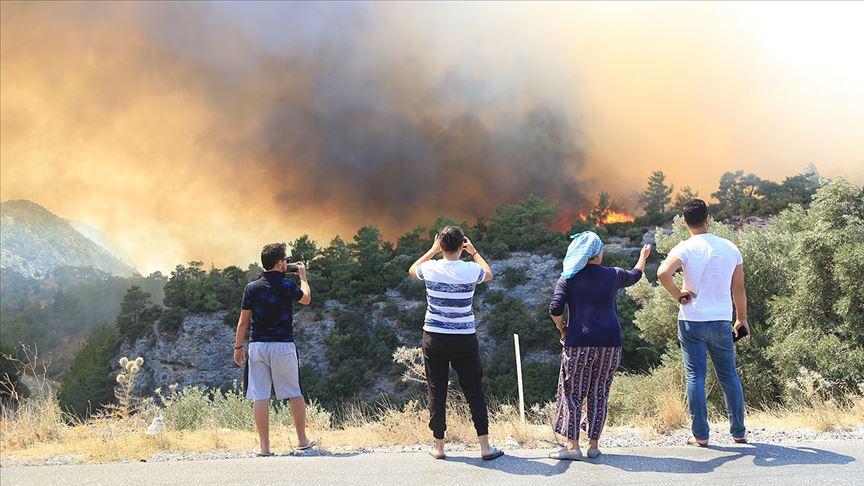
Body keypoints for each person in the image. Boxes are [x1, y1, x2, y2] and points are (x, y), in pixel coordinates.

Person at [548, 231, 650, 460]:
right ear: (596, 253)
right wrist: (643, 257)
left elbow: (555, 308)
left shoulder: (568, 277)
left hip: (579, 344)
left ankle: (572, 446)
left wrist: (562, 328)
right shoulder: (613, 274)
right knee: (599, 392)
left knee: (572, 392)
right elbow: (636, 275)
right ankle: (593, 445)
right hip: (610, 343)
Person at [656, 199, 749, 447]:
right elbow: (738, 288)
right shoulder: (730, 247)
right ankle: (739, 432)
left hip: (692, 320)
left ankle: (701, 435)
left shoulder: (685, 247)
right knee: (729, 376)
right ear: (708, 219)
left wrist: (679, 295)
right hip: (721, 320)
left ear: (685, 223)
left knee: (695, 376)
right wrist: (741, 319)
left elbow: (662, 273)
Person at [408, 225, 504, 461]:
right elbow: (488, 273)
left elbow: (412, 269)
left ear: (441, 245)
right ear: (462, 244)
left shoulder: (430, 268)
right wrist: (474, 252)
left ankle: (439, 447)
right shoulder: (471, 270)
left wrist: (432, 250)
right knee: (474, 390)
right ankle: (485, 447)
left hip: (434, 337)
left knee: (436, 390)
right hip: (464, 338)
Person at [233, 242, 313, 456]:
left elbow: (243, 322)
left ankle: (265, 447)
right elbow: (306, 299)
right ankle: (302, 440)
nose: (288, 263)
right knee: (294, 393)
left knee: (260, 396)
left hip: (257, 346)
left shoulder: (251, 288)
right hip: (283, 345)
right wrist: (303, 277)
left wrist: (238, 347)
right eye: (286, 260)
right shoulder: (287, 285)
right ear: (279, 263)